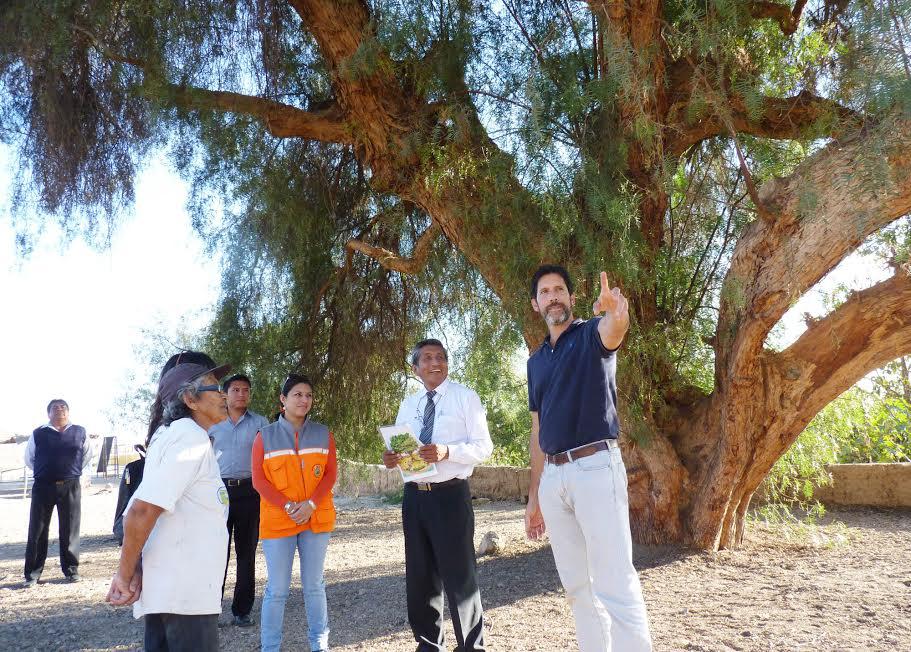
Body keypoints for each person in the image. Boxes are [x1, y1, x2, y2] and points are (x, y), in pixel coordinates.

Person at [524, 265, 652, 652]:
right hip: (553, 478)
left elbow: (614, 330)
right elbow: (537, 430)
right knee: (578, 588)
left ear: (571, 298)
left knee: (614, 580)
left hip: (596, 467)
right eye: (545, 292)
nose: (553, 296)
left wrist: (617, 313)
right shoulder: (535, 362)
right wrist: (534, 496)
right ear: (536, 304)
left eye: (559, 289)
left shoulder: (589, 335)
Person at [106, 357, 231, 651]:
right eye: (216, 388)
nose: (224, 394)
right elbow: (140, 512)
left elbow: (144, 512)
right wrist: (124, 575)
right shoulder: (189, 438)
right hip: (185, 599)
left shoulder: (168, 436)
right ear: (190, 398)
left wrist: (135, 567)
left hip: (172, 595)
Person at [382, 339, 493, 652]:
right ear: (415, 368)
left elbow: (484, 447)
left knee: (460, 576)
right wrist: (391, 459)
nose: (435, 363)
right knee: (420, 575)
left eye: (441, 357)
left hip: (450, 496)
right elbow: (404, 448)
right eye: (427, 358)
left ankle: (472, 647)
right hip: (415, 496)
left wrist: (448, 452)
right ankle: (429, 644)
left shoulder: (465, 397)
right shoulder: (409, 404)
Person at [252, 374, 337, 652]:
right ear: (283, 400)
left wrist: (310, 504)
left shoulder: (324, 434)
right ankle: (270, 647)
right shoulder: (264, 436)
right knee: (277, 589)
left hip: (316, 518)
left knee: (314, 585)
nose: (304, 400)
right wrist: (289, 506)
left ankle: (319, 644)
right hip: (279, 521)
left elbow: (329, 474)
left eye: (308, 395)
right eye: (297, 394)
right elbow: (259, 480)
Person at [210, 373, 269, 627]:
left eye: (246, 389)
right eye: (236, 389)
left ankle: (242, 610)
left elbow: (269, 457)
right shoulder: (212, 422)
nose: (241, 394)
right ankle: (210, 609)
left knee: (246, 553)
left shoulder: (260, 423)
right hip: (217, 494)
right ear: (225, 393)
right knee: (215, 554)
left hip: (249, 493)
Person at [23, 399, 93, 586]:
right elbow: (30, 458)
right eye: (55, 408)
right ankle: (33, 574)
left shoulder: (80, 432)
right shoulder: (38, 433)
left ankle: (71, 570)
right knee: (37, 529)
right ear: (49, 414)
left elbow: (86, 456)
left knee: (70, 529)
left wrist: (71, 472)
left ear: (68, 412)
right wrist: (46, 472)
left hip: (70, 485)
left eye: (63, 407)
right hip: (43, 486)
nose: (59, 410)